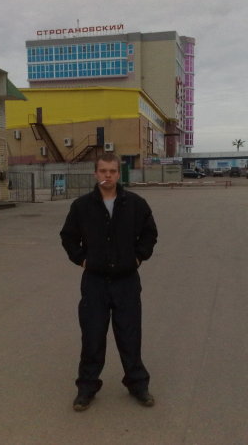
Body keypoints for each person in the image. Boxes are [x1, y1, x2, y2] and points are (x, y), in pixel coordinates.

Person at [60, 153, 158, 412]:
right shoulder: (82, 206)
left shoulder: (135, 204)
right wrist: (83, 260)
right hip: (95, 282)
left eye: (112, 171)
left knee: (130, 336)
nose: (108, 175)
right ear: (96, 173)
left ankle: (137, 384)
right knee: (92, 336)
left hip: (126, 281)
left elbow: (149, 234)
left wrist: (138, 257)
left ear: (118, 174)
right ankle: (86, 388)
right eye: (103, 171)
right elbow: (68, 237)